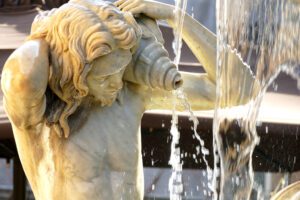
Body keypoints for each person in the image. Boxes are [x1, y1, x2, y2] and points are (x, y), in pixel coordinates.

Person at [1, 0, 253, 199]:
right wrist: (50, 32)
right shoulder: (42, 113)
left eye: (120, 71)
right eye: (105, 76)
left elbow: (239, 89)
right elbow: (21, 79)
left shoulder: (130, 92)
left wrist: (175, 17)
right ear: (75, 69)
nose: (115, 83)